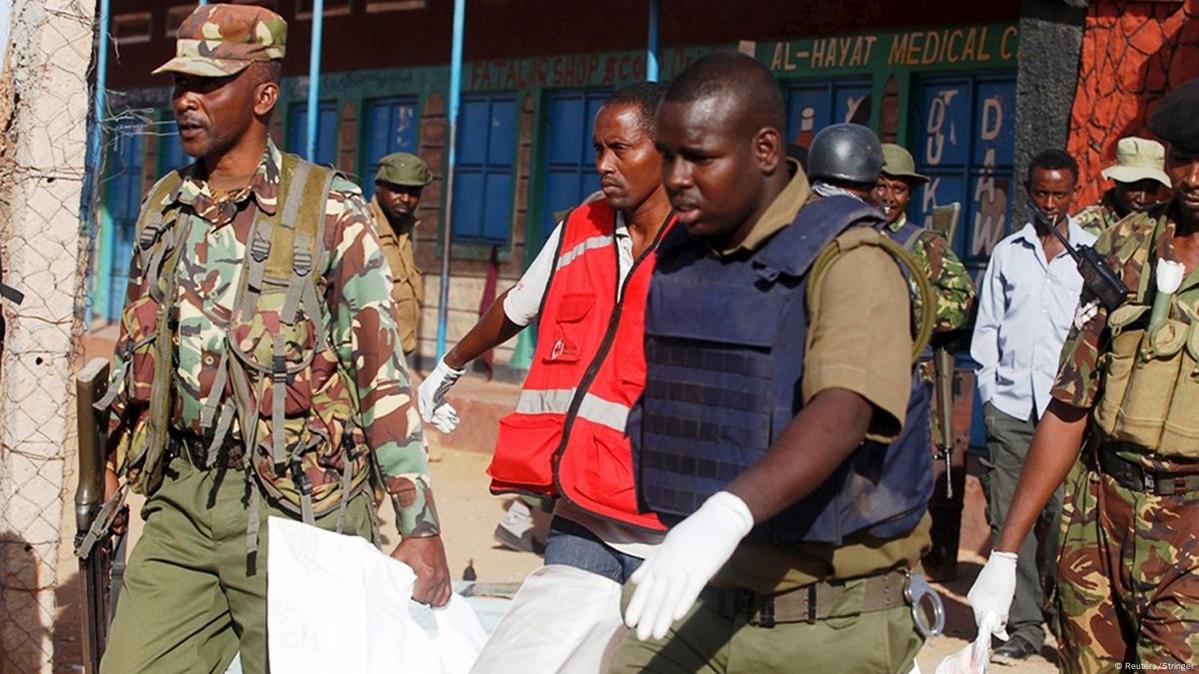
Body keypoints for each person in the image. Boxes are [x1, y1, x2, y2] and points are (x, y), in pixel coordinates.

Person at [96, 6, 449, 673]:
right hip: (185, 500)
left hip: (302, 511)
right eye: (180, 85)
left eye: (208, 83)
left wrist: (420, 524)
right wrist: (114, 463)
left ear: (263, 94)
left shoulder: (328, 210)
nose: (185, 100)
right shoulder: (168, 205)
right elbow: (135, 349)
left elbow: (380, 374)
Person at [612, 52, 933, 674]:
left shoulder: (851, 257)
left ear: (764, 150)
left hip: (826, 619)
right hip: (706, 599)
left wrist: (725, 513)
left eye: (699, 157)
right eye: (669, 154)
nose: (675, 176)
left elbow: (843, 410)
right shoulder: (687, 250)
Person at [420, 82, 676, 673]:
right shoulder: (580, 226)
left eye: (621, 148)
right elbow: (518, 304)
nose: (603, 165)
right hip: (585, 505)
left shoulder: (705, 243)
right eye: (597, 149)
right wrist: (451, 365)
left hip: (670, 522)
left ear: (666, 150)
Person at [969, 80, 1199, 672]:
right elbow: (1071, 403)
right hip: (1096, 518)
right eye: (1182, 159)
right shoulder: (1126, 244)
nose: (1194, 177)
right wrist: (1005, 551)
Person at [968, 148, 1096, 662]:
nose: (1049, 202)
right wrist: (991, 400)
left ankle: (1065, 619)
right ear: (1029, 192)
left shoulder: (1092, 253)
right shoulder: (1008, 253)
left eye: (1059, 194)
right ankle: (1023, 626)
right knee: (1008, 520)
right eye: (1041, 193)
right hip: (1013, 411)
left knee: (1062, 522)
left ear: (1073, 194)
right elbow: (988, 330)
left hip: (1066, 415)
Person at [873, 143, 977, 580]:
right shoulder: (845, 230)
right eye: (881, 185)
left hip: (907, 378)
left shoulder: (924, 244)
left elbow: (961, 300)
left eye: (898, 189)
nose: (887, 197)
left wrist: (910, 306)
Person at [371, 151, 433, 356]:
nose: (406, 198)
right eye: (397, 190)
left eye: (414, 192)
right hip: (368, 357)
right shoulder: (362, 227)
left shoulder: (405, 231)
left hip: (397, 356)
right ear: (379, 187)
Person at [1073, 136, 1169, 235]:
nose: (1142, 199)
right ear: (1117, 181)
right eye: (1135, 188)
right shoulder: (1082, 228)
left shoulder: (1165, 223)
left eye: (1151, 190)